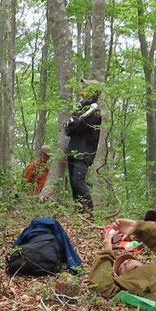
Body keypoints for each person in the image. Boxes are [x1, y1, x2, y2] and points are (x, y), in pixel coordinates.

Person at [63, 82, 102, 213]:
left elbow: (80, 125)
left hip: (84, 151)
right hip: (72, 150)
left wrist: (74, 123)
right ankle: (80, 212)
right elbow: (68, 129)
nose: (82, 90)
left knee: (78, 181)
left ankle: (89, 212)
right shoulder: (79, 107)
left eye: (85, 88)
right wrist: (74, 123)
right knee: (73, 184)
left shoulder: (94, 109)